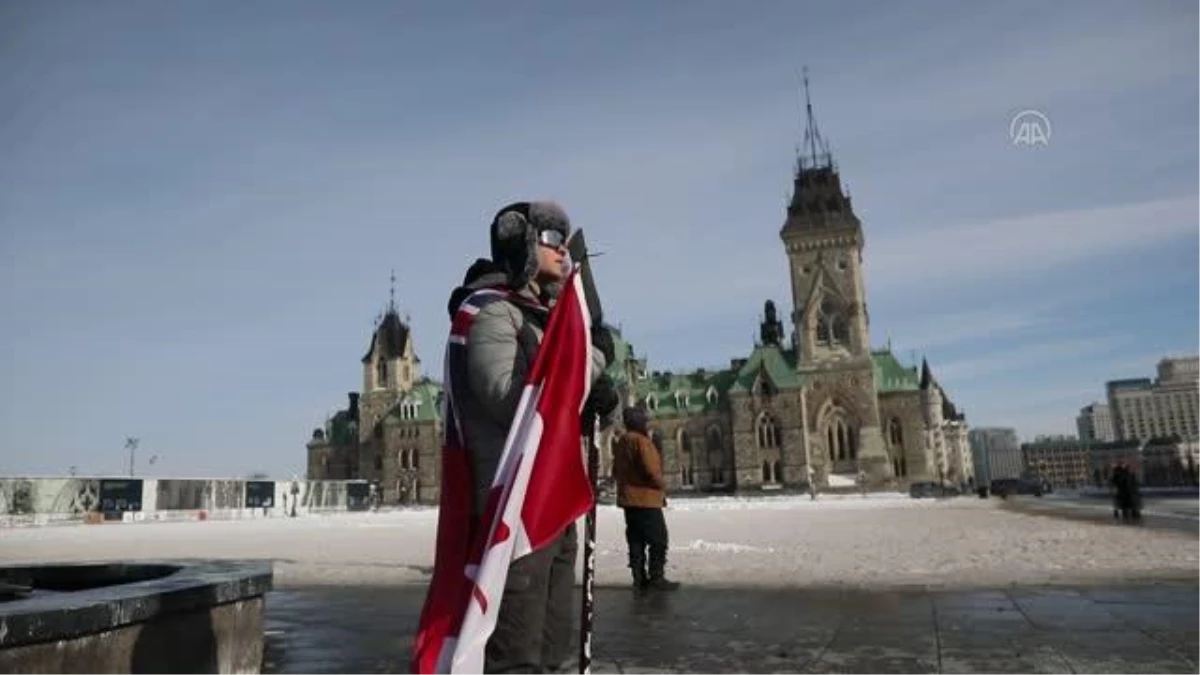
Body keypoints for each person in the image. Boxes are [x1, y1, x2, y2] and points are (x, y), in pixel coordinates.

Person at [445, 201, 619, 673]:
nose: (563, 251)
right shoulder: (493, 315)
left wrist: (597, 392)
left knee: (553, 648)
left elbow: (562, 407)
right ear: (522, 245)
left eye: (565, 242)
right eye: (550, 240)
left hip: (554, 503)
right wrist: (590, 362)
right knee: (516, 655)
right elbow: (511, 400)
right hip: (514, 511)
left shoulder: (548, 322)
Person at [612, 405, 680, 593]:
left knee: (636, 539)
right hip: (646, 499)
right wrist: (661, 485)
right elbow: (650, 469)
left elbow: (615, 471)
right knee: (658, 539)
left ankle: (639, 578)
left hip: (629, 500)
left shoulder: (621, 441)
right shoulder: (642, 441)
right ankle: (656, 577)